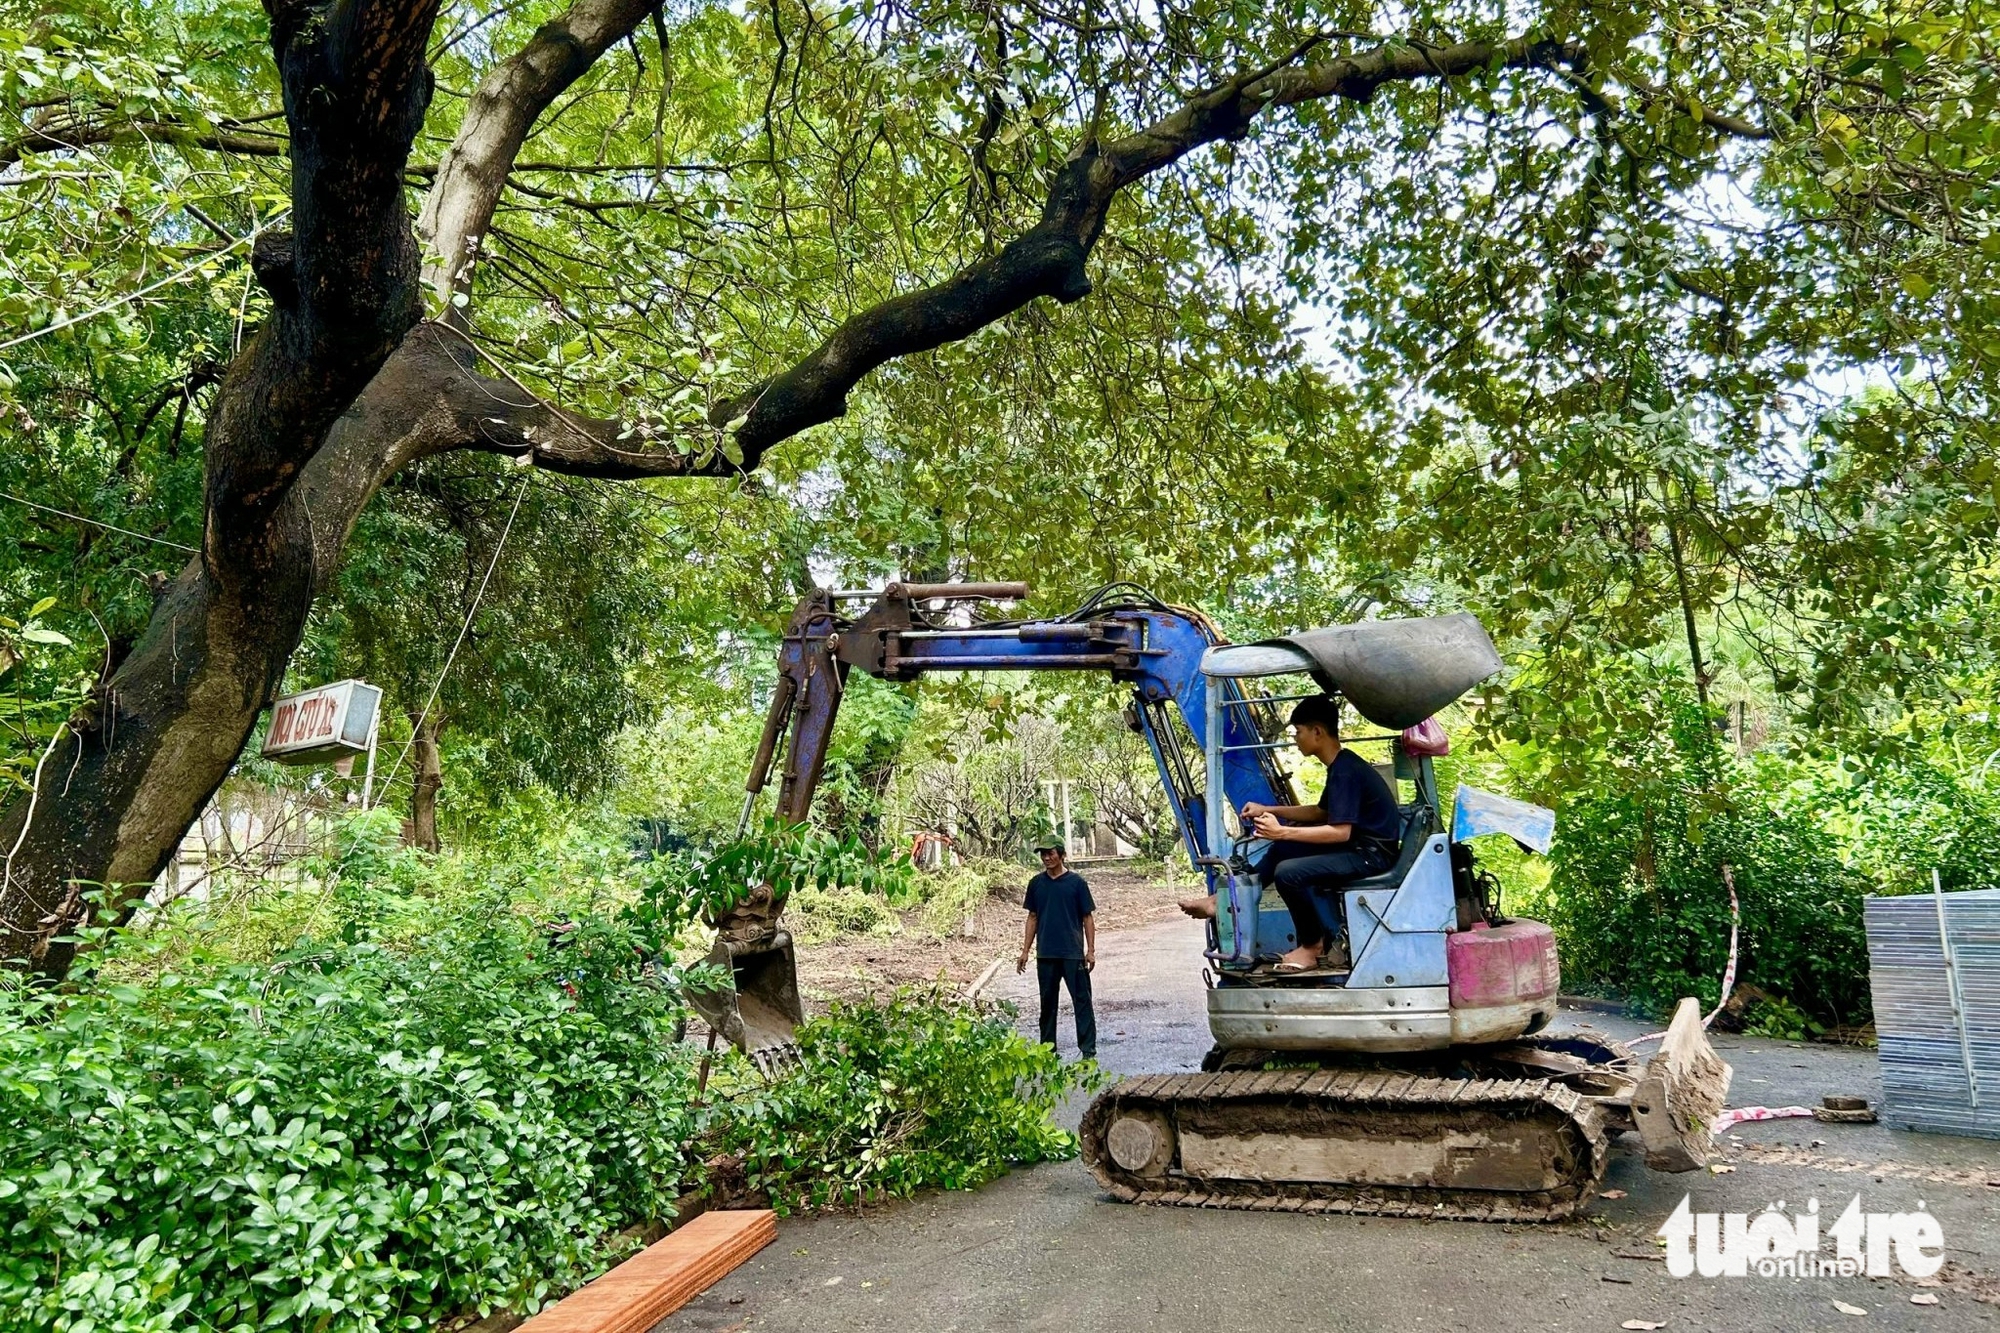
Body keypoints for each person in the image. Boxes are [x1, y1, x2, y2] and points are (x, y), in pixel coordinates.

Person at [1180, 695, 1401, 974]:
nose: (1296, 739)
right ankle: (1223, 900)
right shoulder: (1342, 766)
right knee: (1283, 851)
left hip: (1371, 855)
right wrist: (1268, 809)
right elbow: (1322, 813)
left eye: (1298, 732)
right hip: (1360, 847)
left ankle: (1312, 946)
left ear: (1317, 732)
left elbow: (1341, 833)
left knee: (1289, 873)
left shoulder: (1346, 771)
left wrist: (1282, 832)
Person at [1017, 843, 1097, 1059]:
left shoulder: (1077, 883)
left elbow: (1087, 917)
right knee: (1047, 1004)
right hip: (1046, 954)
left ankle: (1088, 1050)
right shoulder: (1036, 884)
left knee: (1082, 1002)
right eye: (1043, 854)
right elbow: (1032, 917)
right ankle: (1047, 1049)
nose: (1046, 858)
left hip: (1072, 953)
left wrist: (1090, 950)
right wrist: (1025, 951)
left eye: (1050, 853)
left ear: (1061, 855)